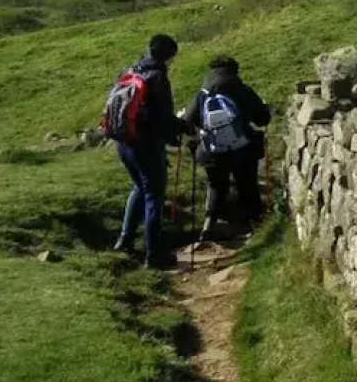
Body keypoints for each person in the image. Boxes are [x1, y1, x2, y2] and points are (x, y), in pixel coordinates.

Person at [109, 33, 185, 268]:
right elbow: (163, 116)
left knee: (139, 189)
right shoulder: (158, 76)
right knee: (154, 196)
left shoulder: (132, 70)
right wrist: (180, 129)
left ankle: (125, 240)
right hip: (146, 145)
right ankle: (155, 255)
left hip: (124, 142)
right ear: (169, 55)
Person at [182, 55, 271, 239]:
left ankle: (209, 224)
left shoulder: (203, 93)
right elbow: (263, 119)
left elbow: (188, 122)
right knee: (247, 184)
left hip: (211, 151)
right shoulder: (242, 90)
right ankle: (256, 225)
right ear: (234, 71)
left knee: (216, 186)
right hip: (242, 148)